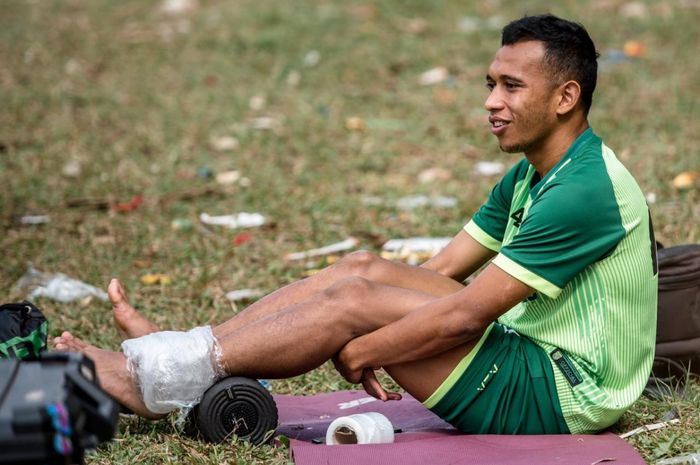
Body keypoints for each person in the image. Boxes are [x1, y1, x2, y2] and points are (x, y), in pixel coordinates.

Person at [54, 14, 657, 435]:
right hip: (528, 355)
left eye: (511, 86)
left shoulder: (583, 191)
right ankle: (176, 362)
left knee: (355, 303)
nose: (491, 102)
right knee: (360, 272)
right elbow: (437, 273)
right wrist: (373, 312)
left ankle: (157, 377)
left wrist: (364, 345)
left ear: (565, 97)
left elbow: (469, 312)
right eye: (490, 84)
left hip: (563, 394)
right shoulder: (533, 172)